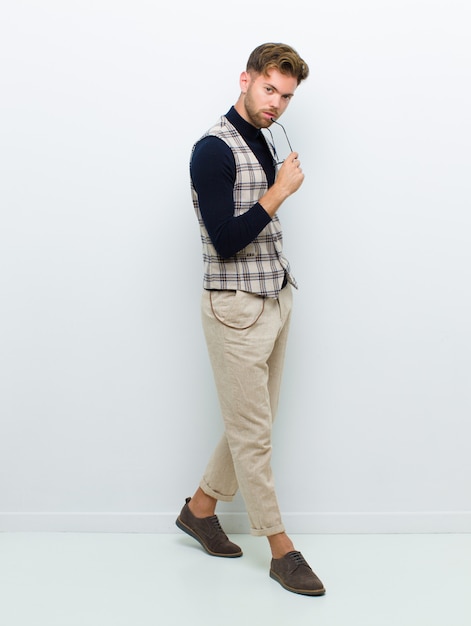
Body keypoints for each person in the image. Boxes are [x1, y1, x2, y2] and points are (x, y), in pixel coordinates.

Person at [176, 42, 325, 597]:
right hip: (233, 307)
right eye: (269, 90)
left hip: (274, 298)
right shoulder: (210, 150)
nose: (276, 104)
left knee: (251, 426)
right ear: (245, 79)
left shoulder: (264, 138)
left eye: (285, 97)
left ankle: (200, 509)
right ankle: (281, 550)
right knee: (254, 435)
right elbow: (225, 239)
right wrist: (279, 194)